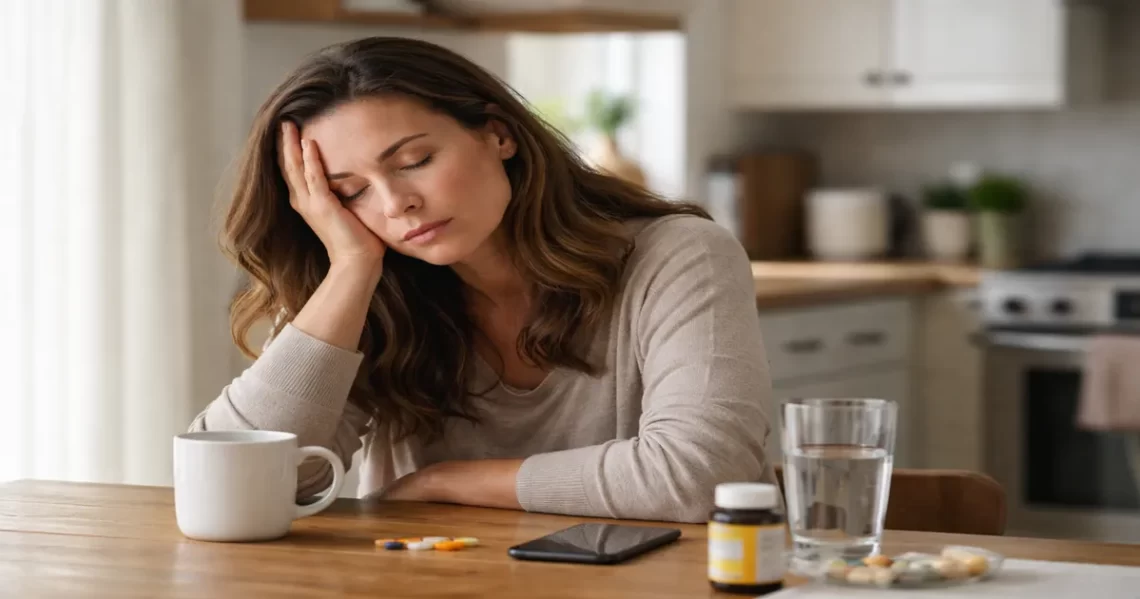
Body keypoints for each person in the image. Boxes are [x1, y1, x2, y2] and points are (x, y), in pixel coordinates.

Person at [191, 36, 775, 523]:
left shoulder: (679, 255)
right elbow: (232, 487)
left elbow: (701, 475)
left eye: (415, 161)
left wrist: (444, 482)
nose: (397, 204)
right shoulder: (368, 287)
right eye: (351, 192)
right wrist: (350, 267)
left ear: (498, 135)